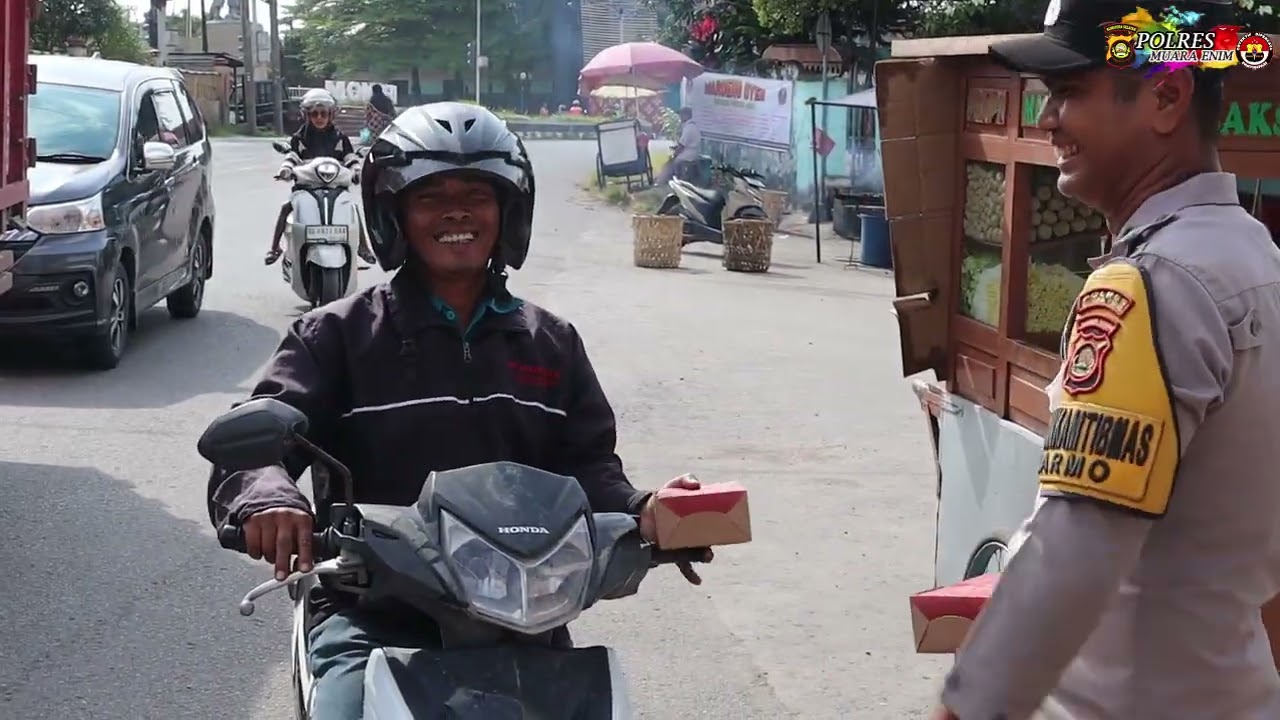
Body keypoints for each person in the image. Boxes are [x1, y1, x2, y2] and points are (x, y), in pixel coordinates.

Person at [208, 102, 711, 720]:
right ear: (393, 213)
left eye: (477, 194)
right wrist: (270, 499)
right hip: (375, 610)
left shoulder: (550, 343)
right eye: (430, 197)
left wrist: (647, 510)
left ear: (508, 212)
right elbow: (260, 438)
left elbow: (589, 466)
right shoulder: (334, 336)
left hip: (525, 611)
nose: (456, 212)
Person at [932, 1, 1280, 719]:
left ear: (1166, 96)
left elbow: (1075, 550)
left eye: (1071, 92)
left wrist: (964, 709)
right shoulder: (1256, 260)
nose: (1049, 119)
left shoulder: (1154, 284)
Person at [265, 89, 376, 267]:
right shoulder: (299, 137)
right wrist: (285, 169)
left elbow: (350, 158)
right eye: (314, 113)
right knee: (286, 207)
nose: (319, 117)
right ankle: (275, 247)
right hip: (305, 187)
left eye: (323, 113)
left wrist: (356, 171)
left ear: (331, 115)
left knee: (353, 208)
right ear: (306, 115)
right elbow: (292, 157)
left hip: (336, 187)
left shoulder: (340, 138)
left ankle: (363, 247)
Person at [656, 107, 701, 185]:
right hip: (692, 153)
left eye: (681, 115)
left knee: (670, 163)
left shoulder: (689, 128)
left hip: (688, 155)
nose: (680, 117)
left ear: (686, 115)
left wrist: (674, 155)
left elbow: (681, 146)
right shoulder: (693, 126)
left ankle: (665, 182)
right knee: (672, 161)